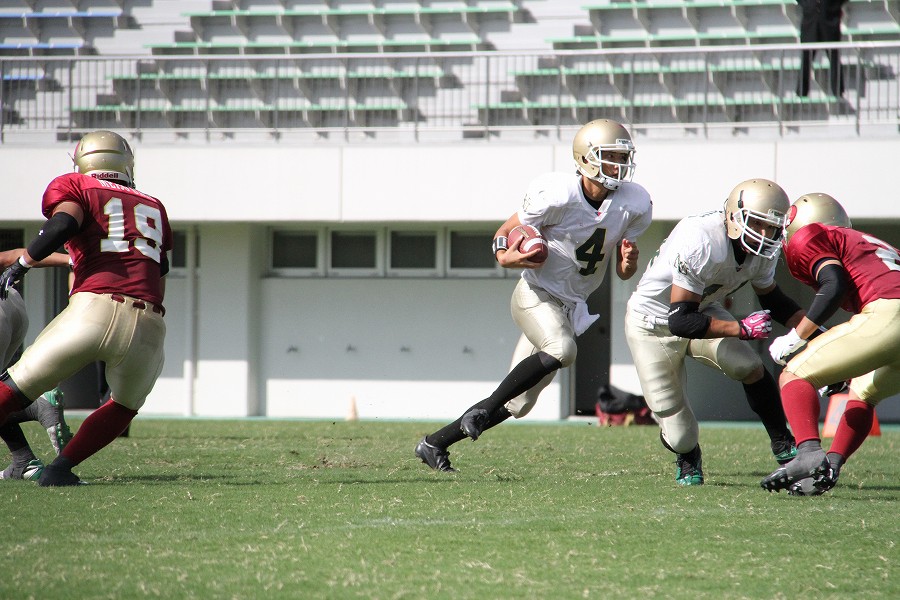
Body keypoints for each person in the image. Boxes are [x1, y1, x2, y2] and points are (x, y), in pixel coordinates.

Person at [415, 118, 653, 472]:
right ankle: (482, 409)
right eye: (611, 157)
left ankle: (434, 444)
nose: (619, 166)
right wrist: (506, 256)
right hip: (535, 294)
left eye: (622, 157)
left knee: (520, 404)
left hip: (570, 306)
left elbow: (622, 272)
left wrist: (628, 263)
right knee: (563, 349)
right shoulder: (558, 194)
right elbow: (506, 231)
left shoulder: (633, 203)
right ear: (586, 159)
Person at [0, 129, 172, 487]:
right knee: (124, 407)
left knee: (13, 389)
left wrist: (24, 263)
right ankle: (60, 470)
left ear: (82, 162)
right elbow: (160, 271)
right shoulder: (153, 205)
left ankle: (31, 459)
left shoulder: (77, 185)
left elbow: (64, 222)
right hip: (149, 319)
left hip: (94, 308)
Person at [624, 178, 801, 486]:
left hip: (702, 308)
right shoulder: (702, 239)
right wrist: (740, 328)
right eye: (757, 224)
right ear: (734, 217)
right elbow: (680, 321)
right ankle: (688, 454)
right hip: (653, 323)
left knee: (748, 366)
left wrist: (817, 332)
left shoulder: (764, 252)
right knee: (680, 435)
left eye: (772, 227)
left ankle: (783, 443)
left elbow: (774, 299)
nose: (764, 235)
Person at [761, 193, 900, 495]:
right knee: (863, 393)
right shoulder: (872, 244)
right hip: (891, 317)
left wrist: (797, 336)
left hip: (890, 313)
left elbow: (833, 284)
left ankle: (808, 453)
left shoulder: (812, 235)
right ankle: (830, 467)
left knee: (794, 375)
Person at [0, 249, 73, 481]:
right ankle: (23, 461)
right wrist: (69, 259)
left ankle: (38, 407)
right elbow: (11, 256)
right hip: (10, 301)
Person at [796, 0, 847, 97]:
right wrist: (807, 5)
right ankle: (802, 92)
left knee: (834, 58)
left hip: (830, 22)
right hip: (810, 23)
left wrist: (833, 6)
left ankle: (838, 91)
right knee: (806, 59)